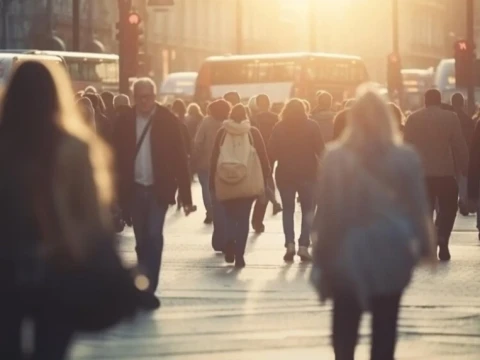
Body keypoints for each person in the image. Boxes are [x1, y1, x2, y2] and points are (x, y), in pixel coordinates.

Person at [0, 61, 143, 359]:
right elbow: (94, 220)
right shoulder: (74, 147)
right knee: (51, 348)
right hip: (59, 265)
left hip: (7, 266)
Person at [311, 87, 435, 360]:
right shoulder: (406, 157)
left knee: (345, 321)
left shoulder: (335, 157)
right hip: (392, 247)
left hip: (347, 248)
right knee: (385, 323)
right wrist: (426, 246)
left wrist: (322, 255)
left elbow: (329, 212)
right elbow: (417, 206)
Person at [114, 78, 194, 306]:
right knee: (141, 240)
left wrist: (185, 197)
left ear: (155, 96)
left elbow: (181, 159)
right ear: (133, 98)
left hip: (159, 189)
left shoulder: (168, 121)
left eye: (148, 96)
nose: (144, 101)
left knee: (154, 236)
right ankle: (143, 280)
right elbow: (114, 157)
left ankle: (149, 287)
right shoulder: (124, 121)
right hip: (134, 189)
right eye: (140, 97)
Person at [404, 89, 469, 261]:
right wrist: (465, 167)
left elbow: (405, 147)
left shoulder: (413, 118)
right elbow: (459, 144)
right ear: (440, 101)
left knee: (425, 210)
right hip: (445, 174)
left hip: (421, 175)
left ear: (425, 101)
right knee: (449, 209)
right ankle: (443, 238)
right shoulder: (451, 118)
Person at [210, 104, 271, 268]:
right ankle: (240, 255)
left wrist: (211, 183)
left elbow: (214, 158)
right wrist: (266, 178)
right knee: (243, 219)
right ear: (246, 116)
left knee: (229, 215)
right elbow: (264, 158)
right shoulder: (253, 132)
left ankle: (229, 243)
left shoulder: (222, 133)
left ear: (230, 115)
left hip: (225, 181)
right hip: (247, 183)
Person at [269, 99, 325, 262]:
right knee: (308, 210)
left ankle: (289, 244)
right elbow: (321, 150)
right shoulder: (312, 126)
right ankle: (303, 246)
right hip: (308, 174)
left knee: (288, 209)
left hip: (285, 174)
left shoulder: (279, 127)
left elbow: (271, 151)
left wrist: (269, 171)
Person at [193, 100, 231, 227]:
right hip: (224, 162)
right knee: (222, 188)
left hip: (205, 162)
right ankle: (222, 210)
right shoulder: (228, 123)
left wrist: (194, 157)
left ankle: (210, 212)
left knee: (206, 188)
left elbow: (198, 141)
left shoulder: (206, 122)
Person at [250, 94, 282, 233]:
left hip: (257, 153)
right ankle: (259, 219)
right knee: (268, 180)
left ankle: (257, 219)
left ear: (257, 104)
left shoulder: (253, 119)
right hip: (272, 151)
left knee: (260, 183)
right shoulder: (276, 118)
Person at [451, 93, 475, 216]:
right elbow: (471, 139)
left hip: (450, 155)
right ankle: (463, 202)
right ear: (463, 104)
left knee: (451, 179)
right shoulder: (468, 120)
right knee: (463, 180)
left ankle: (453, 202)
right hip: (464, 153)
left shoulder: (448, 119)